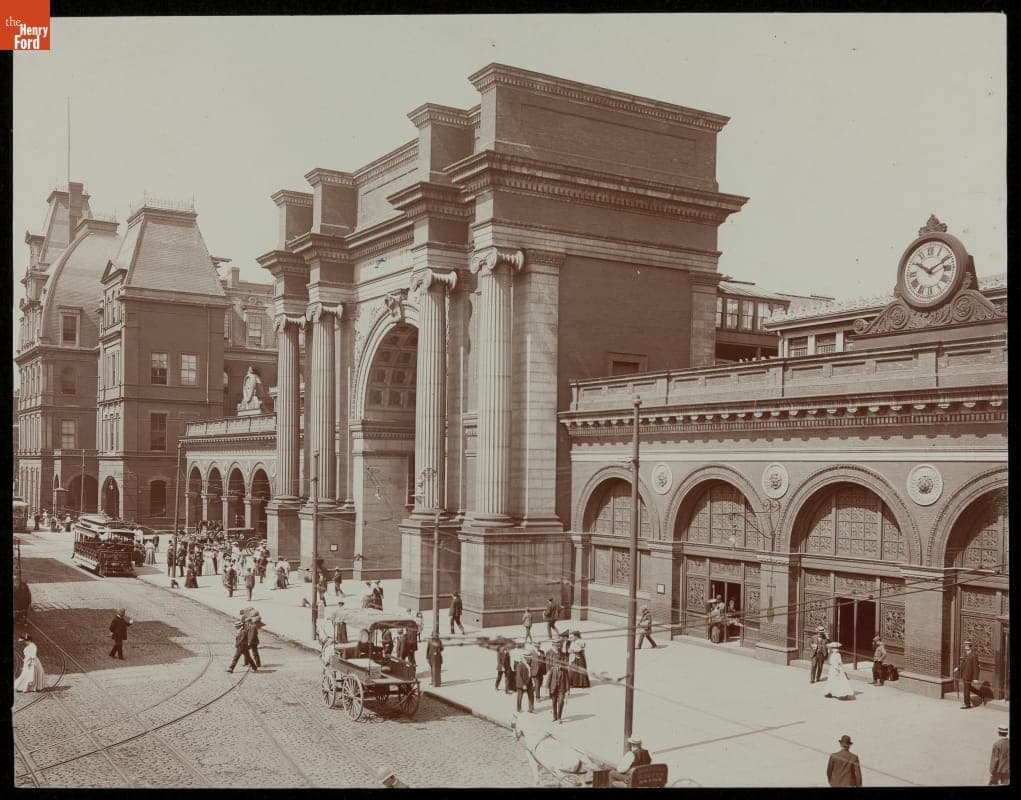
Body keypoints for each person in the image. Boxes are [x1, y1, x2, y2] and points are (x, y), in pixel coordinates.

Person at [954, 640, 980, 709]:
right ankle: (981, 694)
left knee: (966, 689)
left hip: (969, 675)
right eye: (965, 646)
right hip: (964, 674)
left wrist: (975, 678)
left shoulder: (974, 655)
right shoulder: (966, 654)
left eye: (967, 646)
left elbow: (976, 667)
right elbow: (963, 664)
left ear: (970, 647)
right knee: (968, 687)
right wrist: (958, 668)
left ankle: (967, 704)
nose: (966, 647)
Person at [547, 651, 570, 724]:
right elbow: (549, 679)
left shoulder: (564, 671)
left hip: (561, 689)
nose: (558, 665)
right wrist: (546, 688)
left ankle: (559, 717)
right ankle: (555, 717)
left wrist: (568, 690)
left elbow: (567, 681)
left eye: (559, 664)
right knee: (554, 703)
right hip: (553, 689)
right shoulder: (552, 669)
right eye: (557, 664)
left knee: (560, 702)